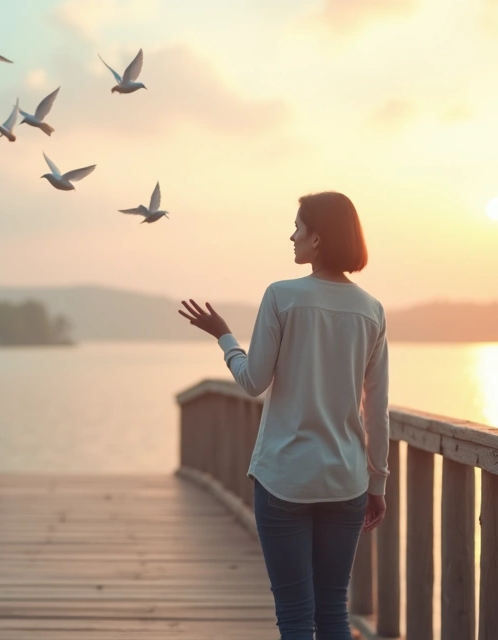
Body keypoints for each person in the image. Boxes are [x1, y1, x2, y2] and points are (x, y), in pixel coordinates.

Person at [178, 191, 389, 640]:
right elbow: (377, 409)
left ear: (318, 238)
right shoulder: (372, 311)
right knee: (333, 611)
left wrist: (224, 338)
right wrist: (378, 483)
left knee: (295, 616)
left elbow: (253, 382)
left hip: (285, 479)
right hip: (346, 480)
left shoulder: (281, 296)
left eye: (298, 227)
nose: (292, 236)